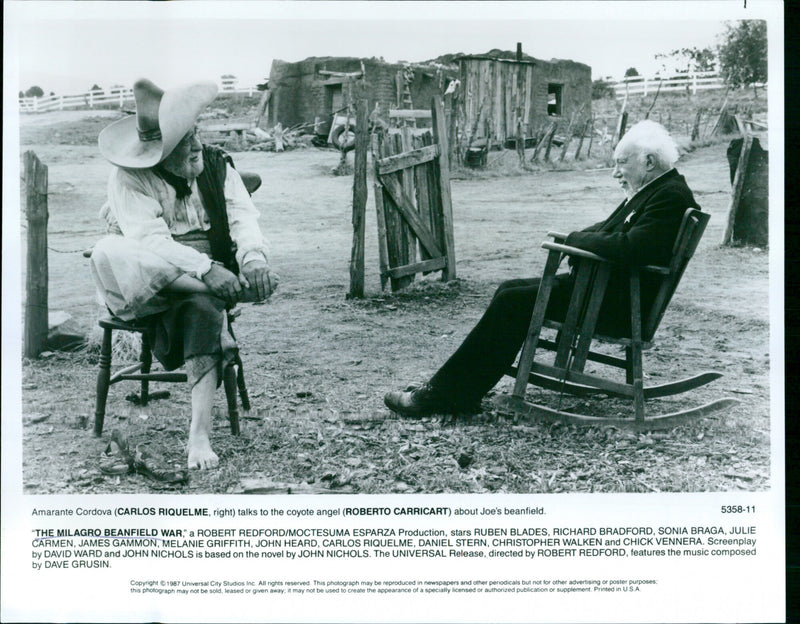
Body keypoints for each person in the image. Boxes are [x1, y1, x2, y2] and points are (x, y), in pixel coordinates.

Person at [384, 120, 700, 417]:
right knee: (509, 289)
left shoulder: (668, 197)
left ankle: (441, 397)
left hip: (613, 305)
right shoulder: (657, 190)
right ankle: (460, 391)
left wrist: (578, 241)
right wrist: (579, 238)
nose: (616, 173)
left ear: (647, 161)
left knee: (513, 302)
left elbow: (632, 248)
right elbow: (609, 230)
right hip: (605, 292)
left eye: (622, 163)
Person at [91, 78, 278, 469]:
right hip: (147, 280)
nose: (196, 146)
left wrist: (253, 258)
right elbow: (150, 242)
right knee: (113, 250)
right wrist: (207, 270)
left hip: (209, 280)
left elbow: (242, 215)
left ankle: (199, 436)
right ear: (156, 153)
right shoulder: (129, 178)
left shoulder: (214, 163)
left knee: (204, 308)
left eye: (195, 133)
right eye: (183, 142)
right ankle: (222, 288)